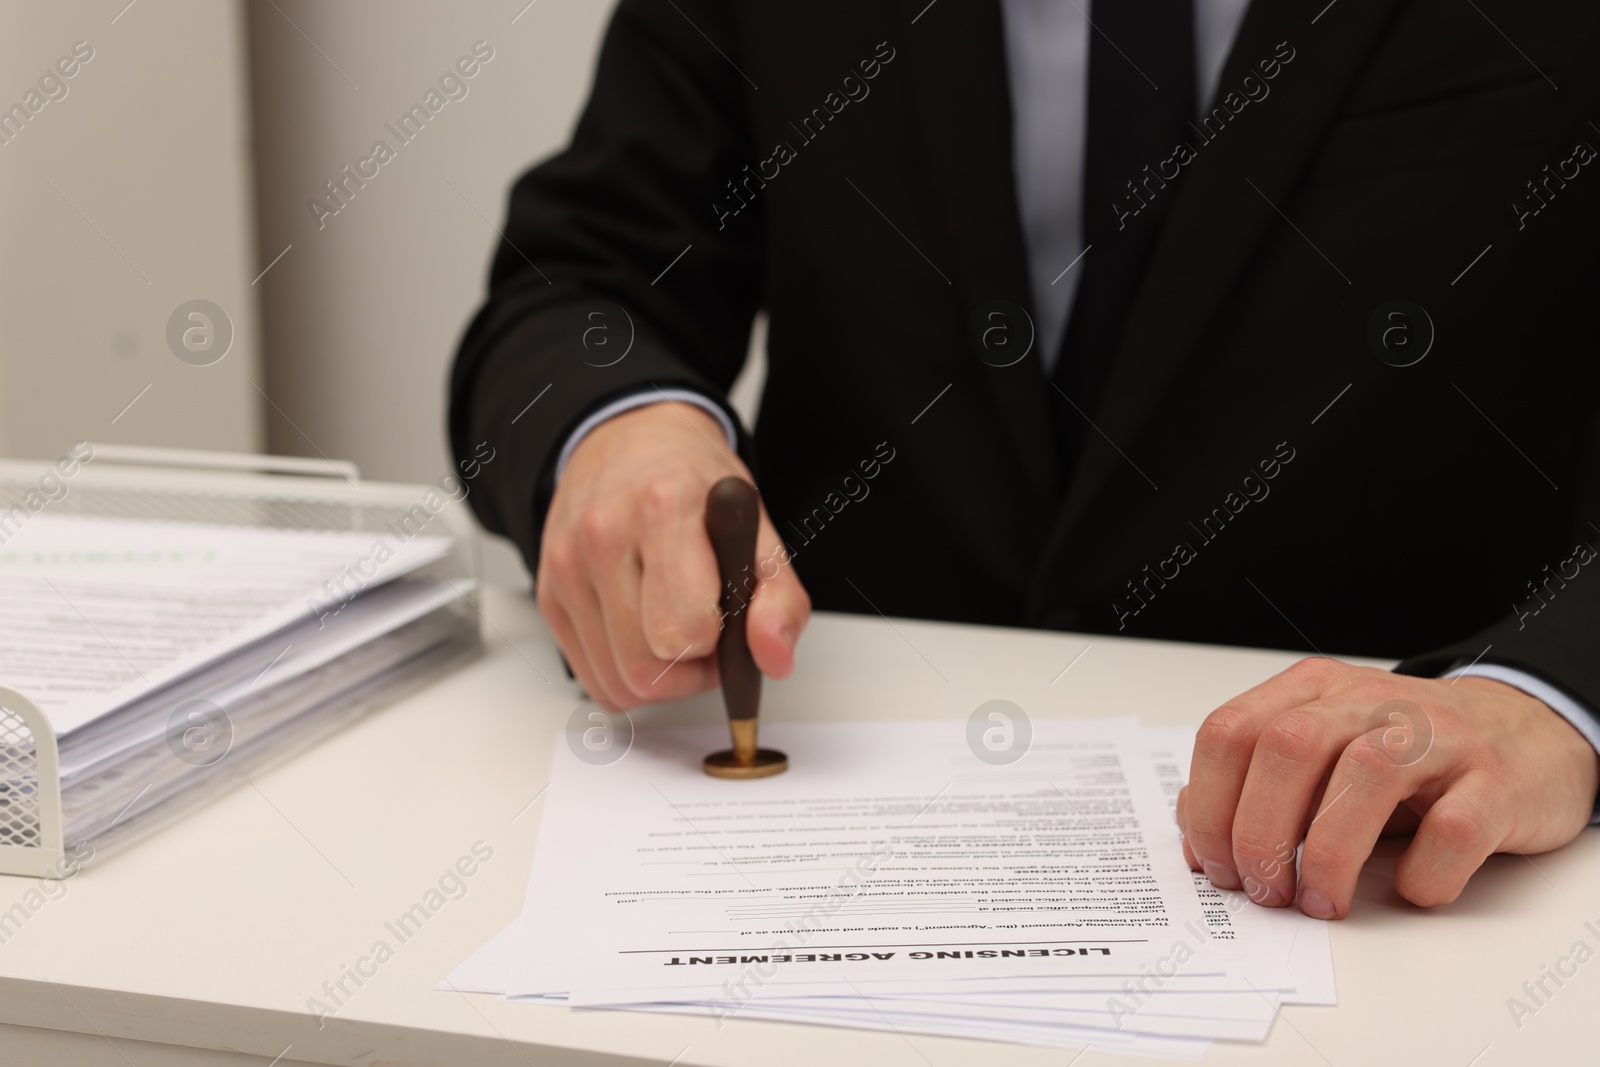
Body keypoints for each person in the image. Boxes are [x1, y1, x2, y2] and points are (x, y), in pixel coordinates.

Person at [449, 0, 1600, 921]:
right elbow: (587, 273)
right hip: (825, 814)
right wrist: (618, 426)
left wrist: (1554, 688)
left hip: (1410, 885)